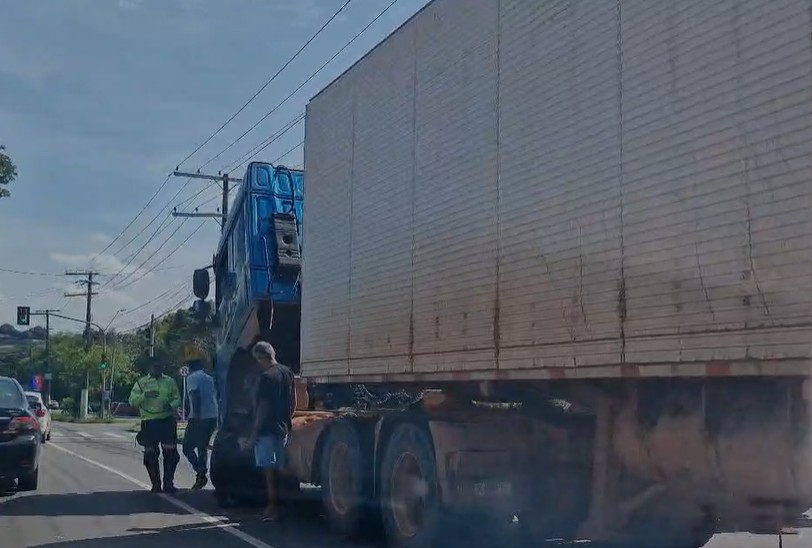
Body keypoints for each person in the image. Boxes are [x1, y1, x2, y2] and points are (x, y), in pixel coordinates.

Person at [240, 341, 295, 521]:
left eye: (258, 359)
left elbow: (263, 408)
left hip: (267, 430)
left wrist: (253, 435)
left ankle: (272, 507)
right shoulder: (287, 372)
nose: (257, 363)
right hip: (283, 428)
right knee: (280, 467)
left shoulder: (266, 377)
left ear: (261, 357)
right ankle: (283, 504)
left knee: (269, 471)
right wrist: (288, 420)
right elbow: (293, 400)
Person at [129, 358, 182, 493]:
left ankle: (168, 483)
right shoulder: (141, 383)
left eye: (159, 366)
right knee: (150, 455)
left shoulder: (169, 381)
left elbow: (177, 398)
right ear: (149, 368)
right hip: (149, 422)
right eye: (154, 366)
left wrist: (170, 405)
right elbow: (132, 401)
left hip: (167, 421)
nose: (157, 369)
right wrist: (145, 395)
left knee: (171, 454)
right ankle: (156, 484)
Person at [182, 357, 218, 489]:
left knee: (187, 447)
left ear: (190, 368)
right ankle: (201, 473)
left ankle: (200, 471)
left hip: (199, 416)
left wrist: (195, 416)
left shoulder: (192, 378)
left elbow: (195, 395)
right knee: (202, 446)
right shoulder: (208, 378)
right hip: (213, 415)